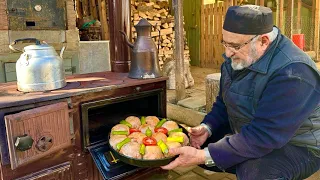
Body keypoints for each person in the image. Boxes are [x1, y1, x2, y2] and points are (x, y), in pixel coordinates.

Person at [161, 5, 320, 180]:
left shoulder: (294, 72)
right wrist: (208, 127)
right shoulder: (240, 57)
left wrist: (205, 156)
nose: (227, 53)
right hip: (254, 130)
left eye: (235, 46)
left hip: (299, 145)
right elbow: (224, 104)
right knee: (193, 144)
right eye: (225, 43)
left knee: (254, 173)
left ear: (263, 41)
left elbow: (265, 135)